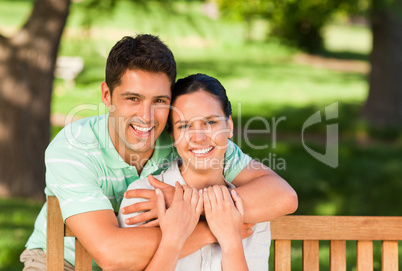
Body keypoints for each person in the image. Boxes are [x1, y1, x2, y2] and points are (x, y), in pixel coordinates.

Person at [21, 34, 298, 271]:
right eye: (133, 98)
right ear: (106, 95)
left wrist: (188, 203)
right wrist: (210, 229)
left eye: (160, 101)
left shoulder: (185, 139)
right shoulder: (72, 146)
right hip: (62, 262)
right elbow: (112, 254)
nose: (146, 116)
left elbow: (281, 196)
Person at [119, 73, 271, 271]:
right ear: (172, 134)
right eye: (184, 126)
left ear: (229, 126)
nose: (198, 137)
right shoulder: (144, 199)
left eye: (210, 123)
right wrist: (173, 239)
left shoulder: (254, 203)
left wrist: (231, 240)